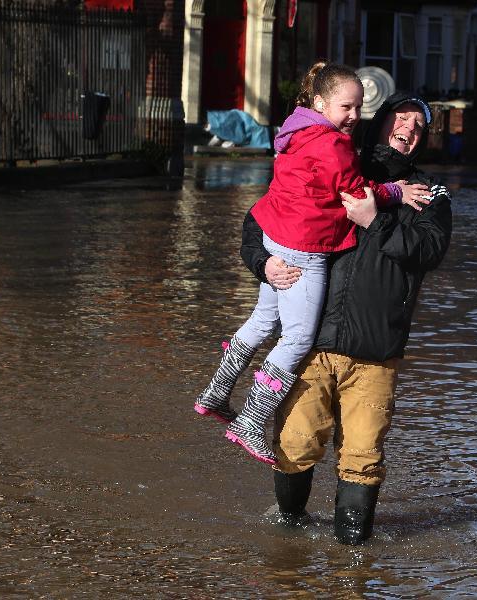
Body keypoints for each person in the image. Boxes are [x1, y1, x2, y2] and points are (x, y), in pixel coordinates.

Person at [240, 92, 452, 544]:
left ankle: (353, 558)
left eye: (420, 126)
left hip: (376, 351)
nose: (410, 129)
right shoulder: (334, 160)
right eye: (402, 118)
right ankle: (289, 538)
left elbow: (429, 251)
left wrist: (376, 219)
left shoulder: (430, 192)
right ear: (379, 123)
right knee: (294, 446)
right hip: (312, 342)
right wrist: (263, 264)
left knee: (363, 455)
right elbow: (262, 218)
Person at [194, 63, 429, 465]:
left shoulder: (295, 131)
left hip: (278, 235)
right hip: (305, 247)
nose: (353, 116)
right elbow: (354, 194)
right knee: (297, 339)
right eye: (346, 107)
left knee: (263, 321)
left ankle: (216, 392)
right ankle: (250, 419)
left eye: (358, 107)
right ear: (320, 103)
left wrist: (265, 259)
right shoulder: (334, 145)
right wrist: (393, 191)